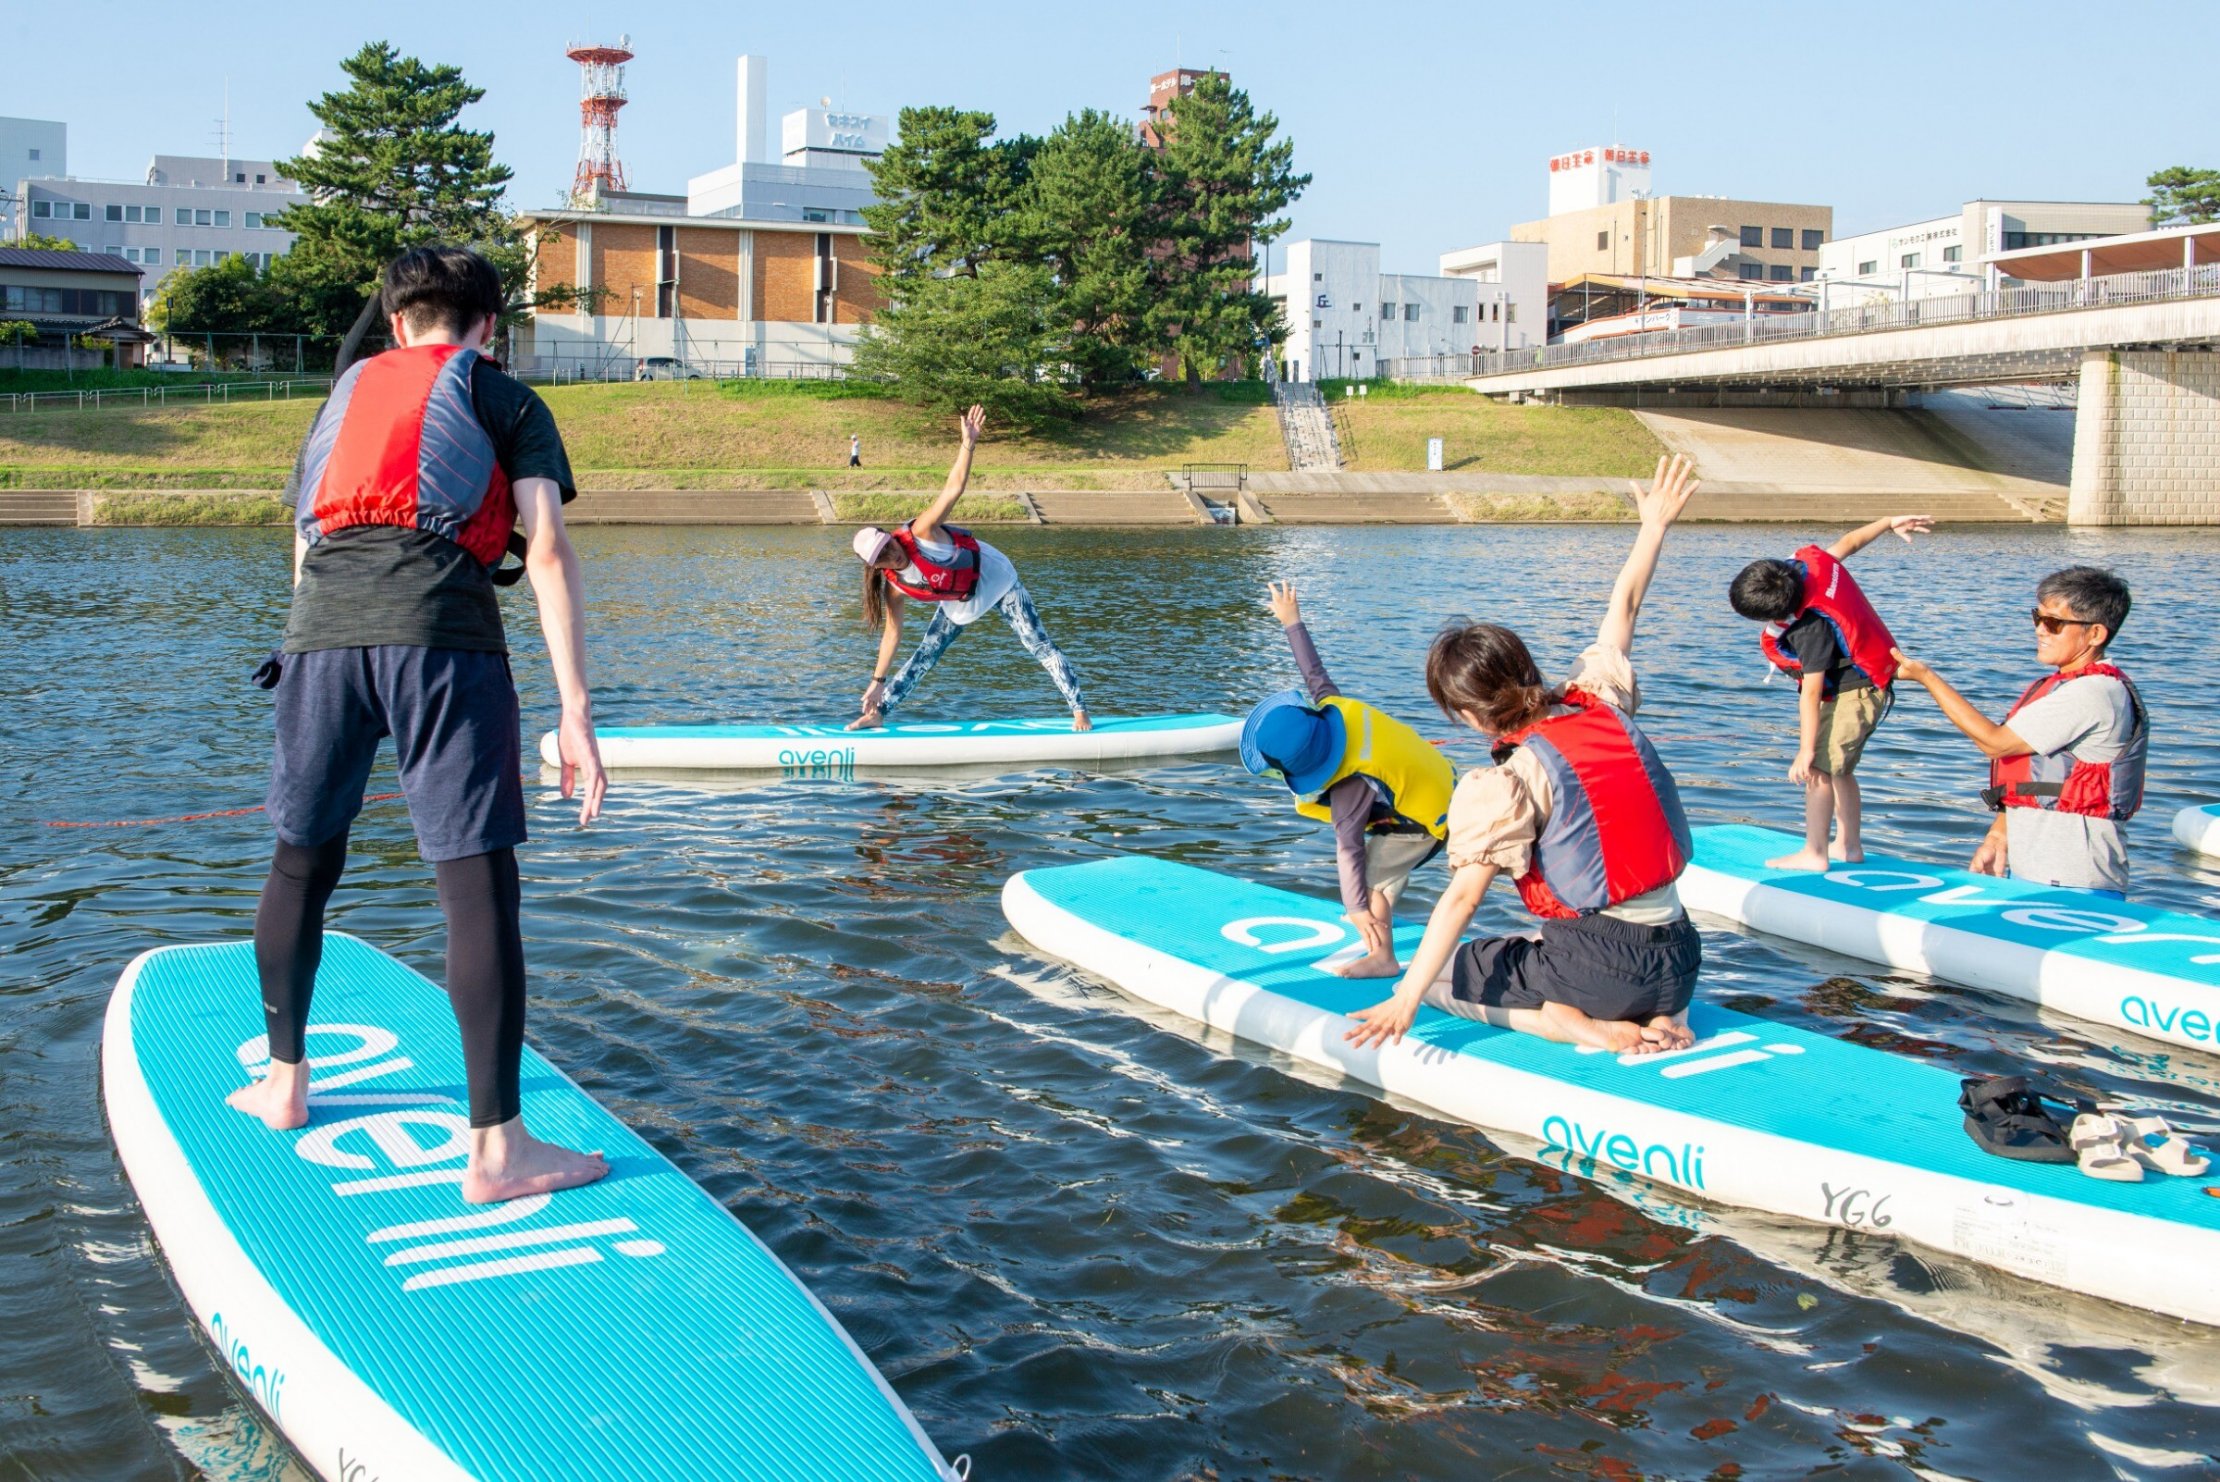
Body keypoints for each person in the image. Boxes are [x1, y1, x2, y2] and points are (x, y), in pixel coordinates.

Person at [226, 245, 611, 1206]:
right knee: (477, 888)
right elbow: (549, 553)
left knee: (299, 862)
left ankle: (283, 1083)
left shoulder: (340, 401)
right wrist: (575, 712)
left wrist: (318, 648)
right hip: (442, 642)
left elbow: (304, 542)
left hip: (318, 640)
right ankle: (497, 1151)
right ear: (489, 328)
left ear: (397, 325)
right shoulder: (506, 398)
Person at [1345, 455, 1706, 1056]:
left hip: (1604, 975)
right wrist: (1653, 526)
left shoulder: (1507, 778)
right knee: (1541, 940)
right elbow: (1626, 608)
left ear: (1466, 714)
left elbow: (1463, 897)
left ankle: (1582, 1026)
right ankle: (1667, 1018)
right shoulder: (1599, 700)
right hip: (1682, 958)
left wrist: (1403, 1000)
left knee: (1439, 976)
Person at [1241, 580, 1457, 979]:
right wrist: (1292, 622)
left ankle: (1382, 957)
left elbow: (1348, 849)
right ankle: (1380, 910)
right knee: (1379, 871)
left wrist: (1355, 906)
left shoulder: (1350, 787)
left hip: (1431, 820)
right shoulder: (1334, 707)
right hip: (1441, 780)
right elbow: (1314, 672)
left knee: (1369, 879)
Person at [1891, 566, 2145, 897]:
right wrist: (1999, 836)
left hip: (2075, 878)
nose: (2040, 630)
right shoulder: (2067, 686)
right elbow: (2037, 780)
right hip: (2034, 871)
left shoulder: (2092, 693)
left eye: (2054, 623)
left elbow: (1995, 744)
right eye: (2036, 618)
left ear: (2095, 634)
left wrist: (1926, 677)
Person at [849, 404, 1091, 732]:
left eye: (888, 544)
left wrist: (968, 444)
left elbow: (953, 489)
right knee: (926, 654)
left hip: (997, 580)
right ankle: (879, 712)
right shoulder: (894, 586)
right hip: (960, 597)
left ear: (890, 537)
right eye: (881, 556)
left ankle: (1079, 711)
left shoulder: (921, 532)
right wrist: (877, 681)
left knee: (1037, 643)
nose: (890, 554)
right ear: (875, 566)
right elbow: (893, 633)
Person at [1727, 514, 1931, 870]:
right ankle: (1849, 846)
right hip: (1868, 686)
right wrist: (1886, 522)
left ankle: (1815, 852)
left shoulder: (1811, 628)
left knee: (1819, 770)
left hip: (1855, 694)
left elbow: (1811, 692)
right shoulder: (1810, 567)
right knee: (1841, 770)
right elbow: (1850, 542)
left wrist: (1804, 751)